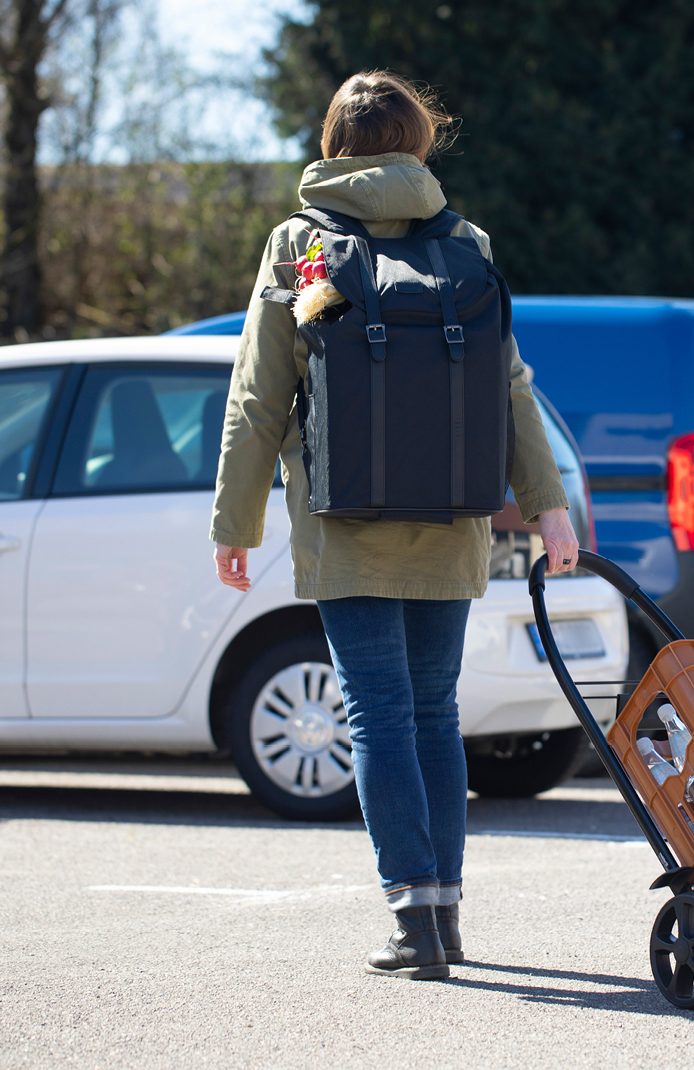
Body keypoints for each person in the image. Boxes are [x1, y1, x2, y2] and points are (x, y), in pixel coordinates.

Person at [209, 71, 579, 981]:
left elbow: (264, 393)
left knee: (376, 713)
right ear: (419, 143)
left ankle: (412, 921)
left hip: (346, 518)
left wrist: (236, 517)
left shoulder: (305, 246)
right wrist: (549, 503)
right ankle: (446, 918)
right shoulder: (464, 241)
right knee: (432, 713)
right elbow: (509, 386)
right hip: (454, 516)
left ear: (335, 143)